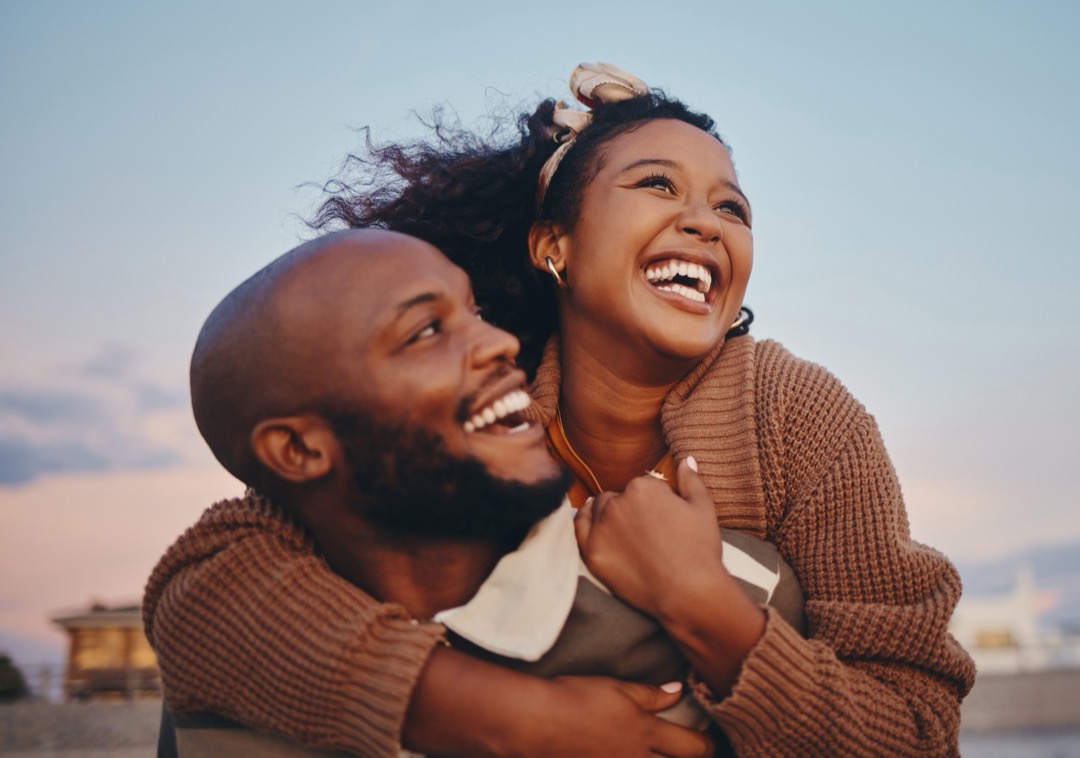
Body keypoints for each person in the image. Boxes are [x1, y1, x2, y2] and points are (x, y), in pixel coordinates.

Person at [145, 64, 975, 755]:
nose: (704, 222)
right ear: (555, 246)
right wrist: (510, 718)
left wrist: (706, 606)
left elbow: (918, 729)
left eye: (733, 208)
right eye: (657, 185)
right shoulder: (479, 398)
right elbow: (207, 587)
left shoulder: (798, 416)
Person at [147, 227, 803, 757]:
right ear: (298, 451)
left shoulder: (733, 595)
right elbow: (192, 591)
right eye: (425, 332)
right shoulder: (224, 687)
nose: (499, 342)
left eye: (476, 312)